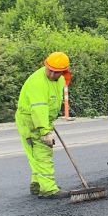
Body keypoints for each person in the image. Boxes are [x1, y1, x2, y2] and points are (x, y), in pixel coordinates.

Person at [15, 52, 71, 199]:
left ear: (63, 72)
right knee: (43, 152)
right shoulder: (37, 82)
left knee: (36, 154)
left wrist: (49, 120)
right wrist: (45, 131)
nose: (52, 74)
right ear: (45, 65)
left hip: (42, 120)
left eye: (56, 72)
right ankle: (48, 189)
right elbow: (39, 108)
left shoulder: (59, 80)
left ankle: (38, 184)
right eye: (49, 70)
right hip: (31, 122)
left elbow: (51, 102)